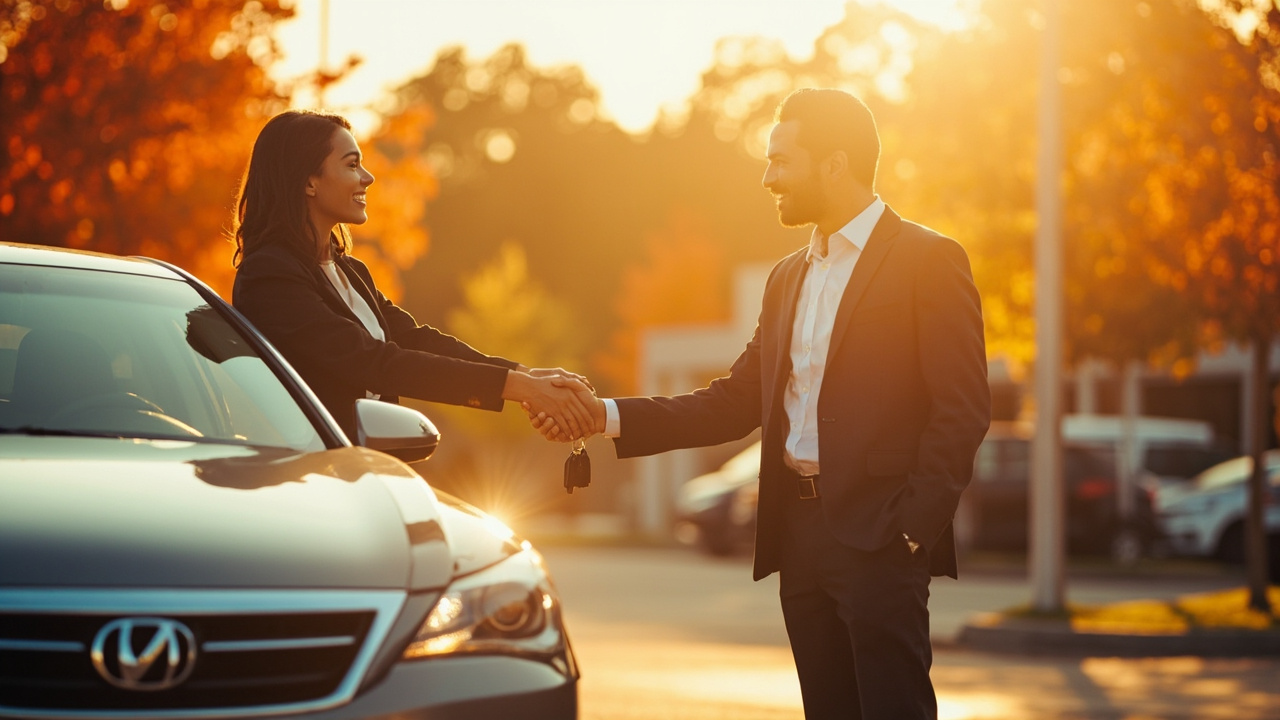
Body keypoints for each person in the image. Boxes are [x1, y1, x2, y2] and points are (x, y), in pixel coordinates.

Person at [539, 88, 990, 719]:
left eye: (782, 160)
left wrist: (912, 529)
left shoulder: (929, 260)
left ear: (834, 164)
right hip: (798, 538)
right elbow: (732, 402)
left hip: (882, 539)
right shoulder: (786, 279)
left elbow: (962, 407)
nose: (768, 175)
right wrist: (606, 415)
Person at [232, 109, 594, 440]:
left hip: (368, 467)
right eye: (352, 165)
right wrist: (518, 387)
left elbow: (415, 340)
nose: (368, 177)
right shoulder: (269, 275)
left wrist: (527, 375)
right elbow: (373, 362)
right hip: (309, 474)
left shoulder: (350, 271)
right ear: (309, 182)